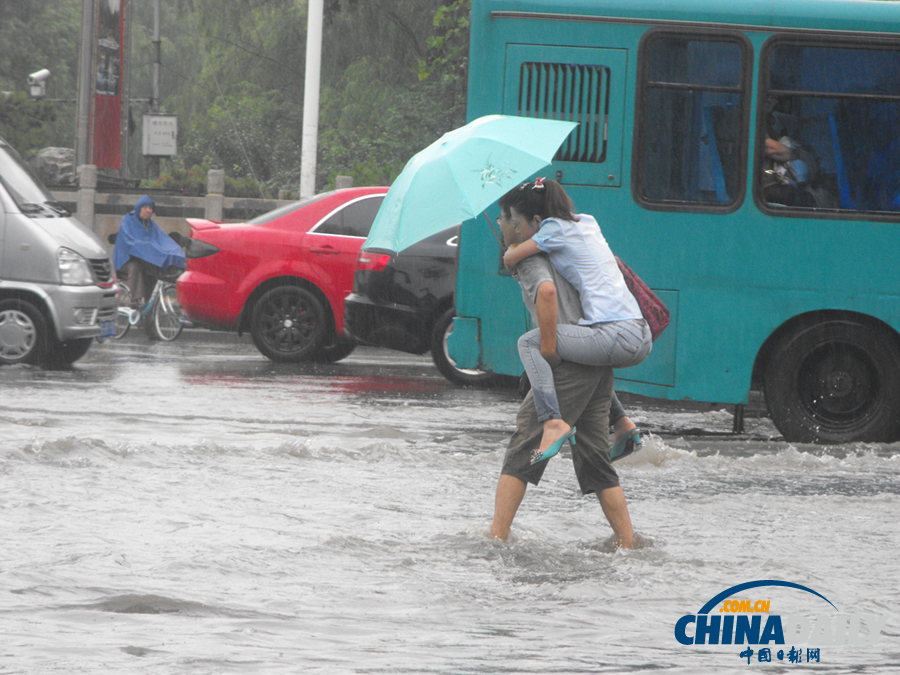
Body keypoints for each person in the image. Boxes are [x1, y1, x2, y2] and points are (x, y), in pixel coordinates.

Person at [490, 205, 635, 546]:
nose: (499, 224)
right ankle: (628, 543)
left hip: (570, 362)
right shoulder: (562, 247)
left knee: (525, 444)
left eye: (504, 218)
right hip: (596, 355)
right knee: (595, 454)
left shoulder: (527, 256)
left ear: (521, 225)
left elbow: (547, 292)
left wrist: (551, 347)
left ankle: (496, 538)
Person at [501, 179, 651, 464]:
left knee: (530, 342)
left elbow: (513, 256)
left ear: (536, 218)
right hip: (639, 331)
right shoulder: (587, 222)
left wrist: (510, 249)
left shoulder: (553, 228)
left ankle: (552, 421)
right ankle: (623, 424)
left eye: (515, 221)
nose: (513, 226)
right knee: (586, 365)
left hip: (615, 333)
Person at [112, 196, 185, 306]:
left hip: (143, 259)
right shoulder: (128, 220)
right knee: (135, 267)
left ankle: (149, 304)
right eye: (145, 207)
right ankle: (135, 301)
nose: (148, 211)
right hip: (125, 260)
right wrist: (148, 249)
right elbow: (131, 243)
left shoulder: (150, 225)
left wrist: (174, 251)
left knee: (152, 272)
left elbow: (162, 240)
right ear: (139, 208)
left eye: (150, 208)